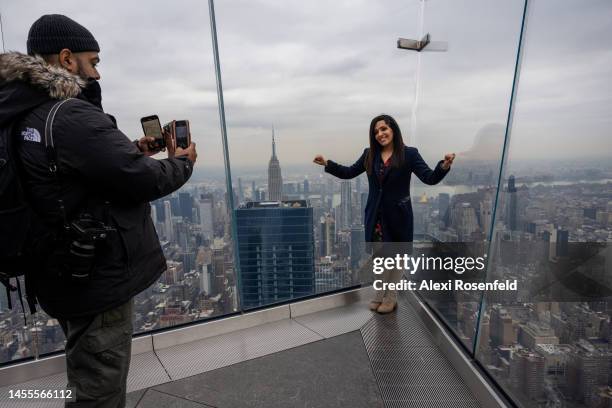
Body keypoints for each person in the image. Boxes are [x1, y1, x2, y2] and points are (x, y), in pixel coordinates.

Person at [0, 14, 197, 407]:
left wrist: (131, 152)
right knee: (98, 390)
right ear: (68, 59)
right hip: (92, 274)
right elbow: (142, 180)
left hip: (54, 267)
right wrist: (183, 162)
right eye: (95, 61)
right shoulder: (69, 114)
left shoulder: (21, 111)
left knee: (86, 372)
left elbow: (72, 174)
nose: (98, 74)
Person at [314, 114, 454, 314]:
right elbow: (348, 172)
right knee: (380, 259)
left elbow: (429, 178)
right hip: (377, 216)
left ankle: (391, 298)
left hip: (399, 216)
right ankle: (379, 294)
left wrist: (444, 166)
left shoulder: (410, 154)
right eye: (376, 131)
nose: (380, 134)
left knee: (397, 259)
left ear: (393, 130)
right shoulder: (369, 154)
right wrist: (327, 163)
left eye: (384, 129)